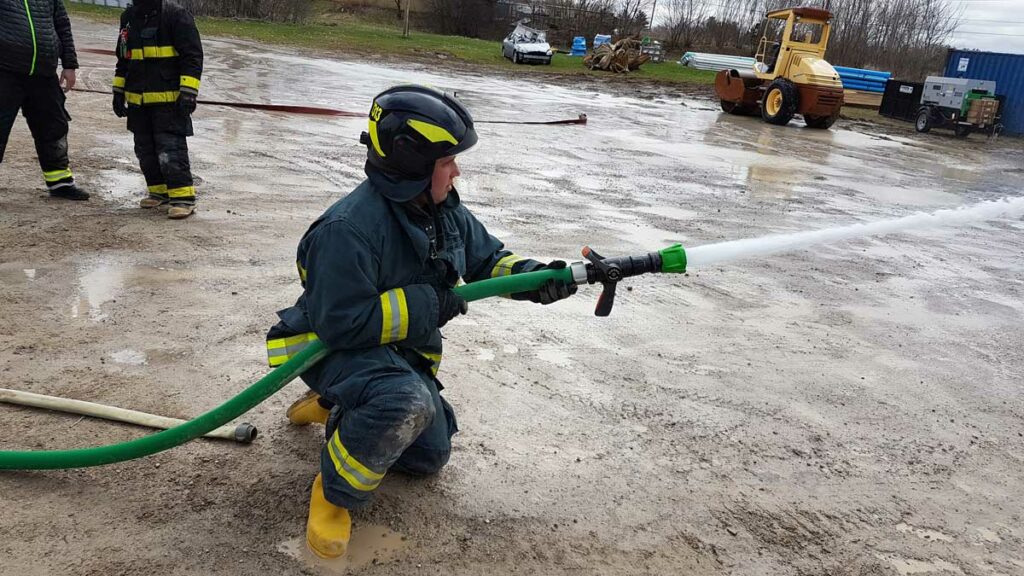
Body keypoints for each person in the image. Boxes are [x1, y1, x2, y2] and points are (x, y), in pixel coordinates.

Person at [265, 85, 578, 559]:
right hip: (328, 348)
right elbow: (342, 324)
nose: (456, 170)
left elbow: (488, 260)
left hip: (387, 351)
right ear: (411, 165)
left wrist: (538, 280)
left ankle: (339, 407)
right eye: (447, 161)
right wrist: (429, 304)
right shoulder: (346, 230)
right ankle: (332, 495)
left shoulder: (441, 210)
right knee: (404, 402)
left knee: (428, 455)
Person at [112, 0, 203, 219]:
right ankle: (158, 191)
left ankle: (183, 197)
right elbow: (123, 59)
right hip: (138, 100)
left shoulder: (176, 16)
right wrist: (118, 91)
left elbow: (192, 56)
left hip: (169, 100)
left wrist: (189, 91)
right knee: (145, 149)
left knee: (170, 148)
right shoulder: (129, 19)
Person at [0, 0, 89, 200]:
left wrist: (69, 64)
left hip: (43, 71)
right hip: (5, 70)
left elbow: (62, 24)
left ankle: (60, 183)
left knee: (53, 127)